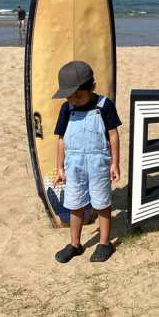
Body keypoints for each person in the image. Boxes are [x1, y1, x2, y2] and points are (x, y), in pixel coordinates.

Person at [52, 60, 121, 264]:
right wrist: (59, 167)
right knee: (75, 203)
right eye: (70, 95)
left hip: (99, 163)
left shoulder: (104, 106)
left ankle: (104, 243)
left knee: (102, 203)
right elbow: (61, 139)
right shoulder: (67, 109)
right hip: (74, 165)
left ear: (92, 87)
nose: (74, 99)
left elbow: (113, 135)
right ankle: (75, 244)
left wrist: (115, 163)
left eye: (78, 95)